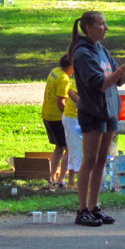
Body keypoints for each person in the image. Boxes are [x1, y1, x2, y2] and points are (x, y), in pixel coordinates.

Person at [69, 11, 125, 226]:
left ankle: (94, 207)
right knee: (89, 161)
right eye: (101, 24)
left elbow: (118, 80)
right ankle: (82, 210)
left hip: (109, 110)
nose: (106, 28)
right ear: (88, 27)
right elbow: (101, 83)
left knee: (102, 161)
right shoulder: (83, 53)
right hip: (93, 112)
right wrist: (123, 68)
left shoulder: (101, 50)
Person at [41, 53, 73, 187]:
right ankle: (62, 179)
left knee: (59, 147)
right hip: (57, 118)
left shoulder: (54, 72)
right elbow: (61, 101)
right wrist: (68, 115)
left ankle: (52, 177)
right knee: (69, 149)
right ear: (70, 66)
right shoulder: (64, 79)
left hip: (47, 114)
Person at [61, 75, 82, 188]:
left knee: (73, 150)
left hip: (74, 117)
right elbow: (71, 92)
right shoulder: (84, 76)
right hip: (73, 118)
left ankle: (71, 181)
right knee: (77, 150)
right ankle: (81, 183)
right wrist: (87, 105)